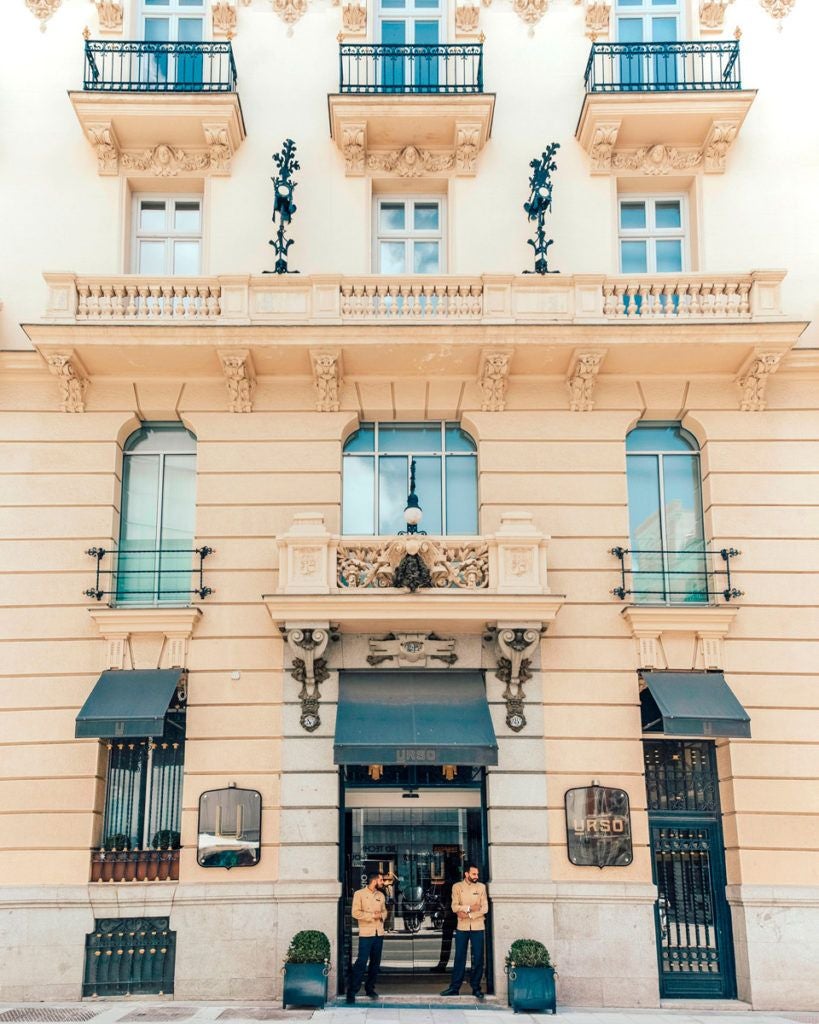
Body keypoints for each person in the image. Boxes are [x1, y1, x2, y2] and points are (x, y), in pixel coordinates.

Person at [440, 862, 489, 1001]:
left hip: (478, 927)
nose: (476, 876)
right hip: (462, 928)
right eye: (474, 874)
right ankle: (454, 988)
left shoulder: (481, 887)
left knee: (478, 958)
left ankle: (476, 988)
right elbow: (455, 906)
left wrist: (468, 914)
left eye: (477, 874)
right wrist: (470, 908)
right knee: (459, 958)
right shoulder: (457, 887)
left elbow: (484, 908)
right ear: (466, 874)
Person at [347, 871, 387, 1003]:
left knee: (375, 964)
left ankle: (370, 989)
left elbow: (385, 911)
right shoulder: (359, 894)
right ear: (375, 881)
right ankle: (352, 992)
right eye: (381, 880)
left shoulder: (381, 895)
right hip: (366, 934)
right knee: (361, 963)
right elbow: (355, 913)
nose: (383, 882)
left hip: (378, 933)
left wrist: (381, 915)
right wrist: (372, 916)